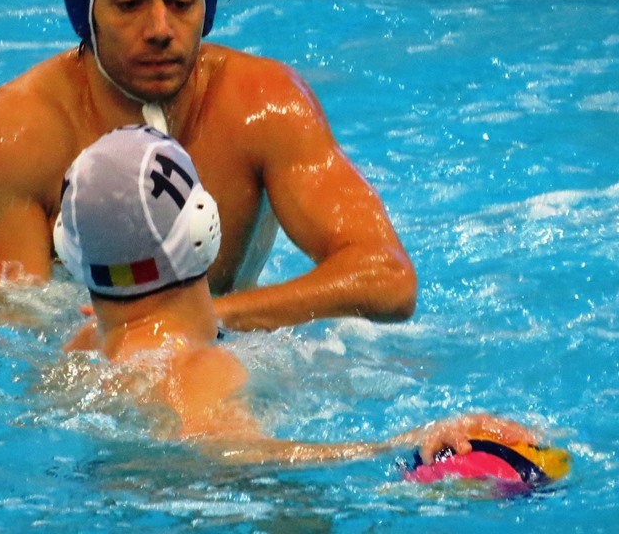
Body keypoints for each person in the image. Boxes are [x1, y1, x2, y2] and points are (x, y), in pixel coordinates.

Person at [0, 0, 418, 332]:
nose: (160, 29)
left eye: (181, 3)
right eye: (129, 4)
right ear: (83, 13)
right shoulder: (16, 131)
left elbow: (388, 279)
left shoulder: (266, 105)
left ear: (207, 7)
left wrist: (207, 318)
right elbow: (8, 331)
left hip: (230, 338)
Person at [52, 124, 541, 465]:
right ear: (203, 225)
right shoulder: (197, 369)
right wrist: (401, 445)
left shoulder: (82, 345)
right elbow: (232, 452)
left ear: (72, 251)